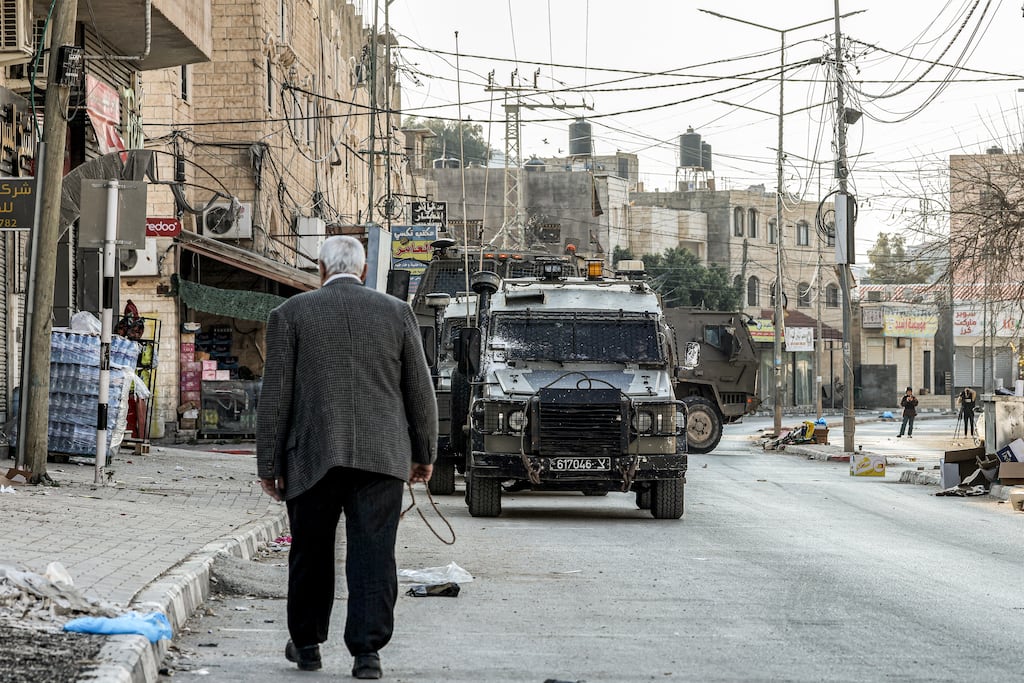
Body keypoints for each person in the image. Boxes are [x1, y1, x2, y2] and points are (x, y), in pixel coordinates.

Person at [256, 235, 438, 680]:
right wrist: (425, 453)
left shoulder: (290, 314)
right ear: (362, 269)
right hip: (382, 457)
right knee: (374, 553)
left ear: (320, 269)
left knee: (310, 553)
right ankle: (367, 655)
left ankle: (307, 645)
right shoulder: (397, 313)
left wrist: (269, 465)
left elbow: (276, 397)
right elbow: (420, 389)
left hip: (312, 456)